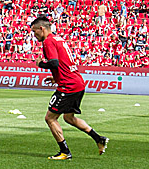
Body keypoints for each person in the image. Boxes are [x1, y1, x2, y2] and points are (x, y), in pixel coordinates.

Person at [30, 16, 108, 160]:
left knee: (50, 118)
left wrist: (40, 64)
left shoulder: (48, 41)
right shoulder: (59, 39)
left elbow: (54, 63)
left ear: (42, 29)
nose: (35, 36)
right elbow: (64, 63)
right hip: (77, 82)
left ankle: (65, 152)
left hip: (69, 86)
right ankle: (98, 139)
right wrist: (56, 78)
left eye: (35, 32)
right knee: (69, 117)